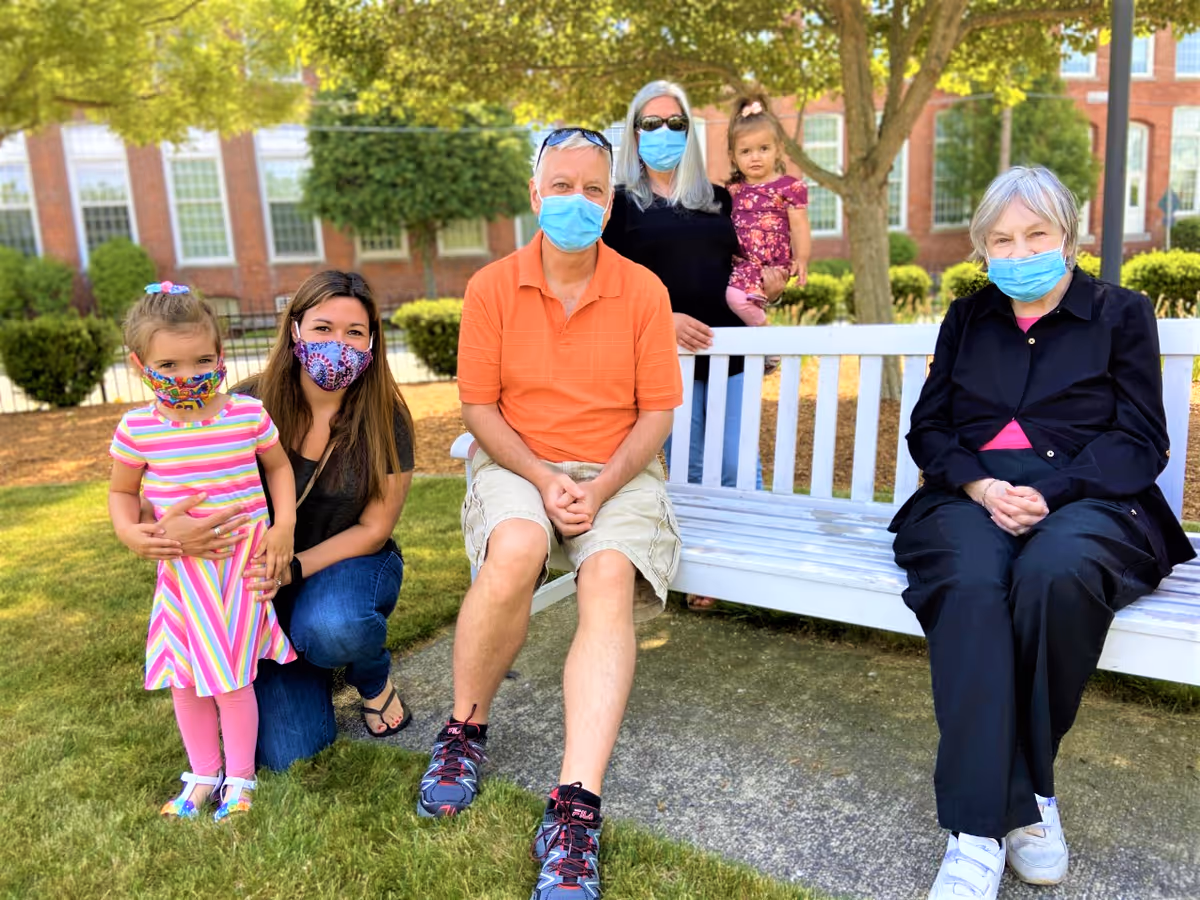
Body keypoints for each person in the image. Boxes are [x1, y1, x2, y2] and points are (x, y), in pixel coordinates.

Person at [889, 167, 1195, 900]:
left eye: (1036, 234)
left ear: (1071, 236)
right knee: (969, 581)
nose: (1018, 250)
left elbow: (1141, 441)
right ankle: (994, 824)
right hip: (969, 498)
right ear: (981, 250)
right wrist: (982, 483)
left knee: (1053, 574)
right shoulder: (968, 318)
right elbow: (929, 427)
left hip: (1092, 499)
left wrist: (1048, 489)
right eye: (1001, 239)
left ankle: (999, 810)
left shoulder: (1121, 313)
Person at [418, 127, 682, 900]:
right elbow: (478, 407)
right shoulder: (492, 287)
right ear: (535, 197)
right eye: (560, 186)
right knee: (515, 550)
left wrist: (597, 490)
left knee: (606, 580)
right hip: (517, 459)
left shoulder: (642, 290)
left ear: (611, 201)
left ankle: (575, 808)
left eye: (593, 189)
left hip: (619, 469)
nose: (576, 201)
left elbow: (656, 413)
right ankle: (464, 731)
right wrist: (540, 476)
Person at [136, 271, 416, 771]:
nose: (338, 344)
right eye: (323, 328)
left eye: (355, 332)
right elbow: (162, 469)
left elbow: (374, 528)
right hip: (252, 583)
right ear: (295, 330)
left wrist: (292, 568)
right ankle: (306, 658)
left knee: (335, 626)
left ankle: (370, 675)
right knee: (288, 752)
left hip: (347, 562)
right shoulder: (243, 404)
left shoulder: (384, 415)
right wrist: (162, 530)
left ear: (372, 339)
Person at [108, 282, 297, 822]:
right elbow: (123, 492)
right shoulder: (138, 430)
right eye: (168, 363)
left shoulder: (245, 415)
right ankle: (202, 773)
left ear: (221, 353)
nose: (187, 375)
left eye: (202, 360)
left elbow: (278, 467)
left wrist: (283, 525)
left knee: (231, 678)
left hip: (240, 574)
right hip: (181, 577)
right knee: (186, 678)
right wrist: (129, 532)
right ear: (138, 362)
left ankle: (239, 778)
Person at [602, 79, 786, 492]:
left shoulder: (721, 198)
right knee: (692, 471)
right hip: (668, 359)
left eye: (675, 122)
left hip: (732, 353)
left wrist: (769, 289)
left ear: (689, 131)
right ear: (634, 133)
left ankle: (749, 555)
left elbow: (749, 265)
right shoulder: (617, 206)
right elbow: (604, 289)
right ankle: (699, 554)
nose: (663, 131)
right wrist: (662, 320)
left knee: (739, 470)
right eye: (650, 122)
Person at [725, 93, 811, 327]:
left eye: (763, 148)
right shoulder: (733, 191)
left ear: (779, 150)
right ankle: (762, 350)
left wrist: (802, 258)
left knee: (734, 298)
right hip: (744, 265)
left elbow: (800, 225)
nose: (755, 157)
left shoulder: (788, 188)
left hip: (771, 264)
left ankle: (767, 340)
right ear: (733, 157)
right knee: (737, 301)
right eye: (746, 151)